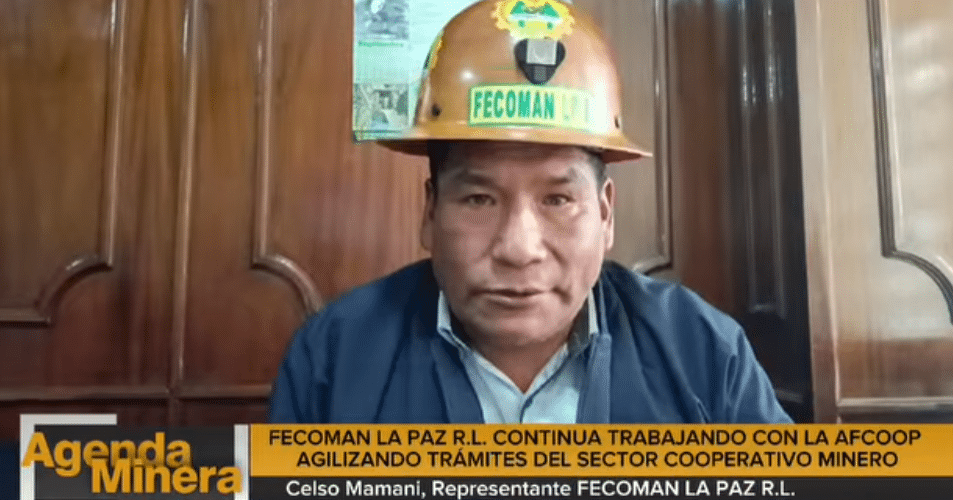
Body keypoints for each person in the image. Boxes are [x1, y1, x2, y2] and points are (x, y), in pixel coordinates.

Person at [268, 0, 792, 424]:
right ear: (430, 212)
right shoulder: (334, 358)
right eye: (479, 199)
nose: (519, 250)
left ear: (605, 215)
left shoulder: (704, 352)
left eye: (557, 200)